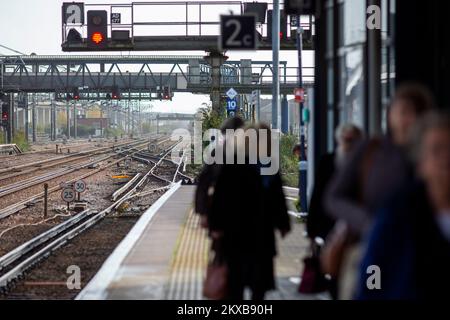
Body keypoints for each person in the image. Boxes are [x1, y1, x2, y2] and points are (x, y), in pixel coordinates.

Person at [321, 83, 435, 299]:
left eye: (415, 113)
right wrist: (369, 223)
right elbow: (333, 196)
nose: (406, 120)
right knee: (373, 292)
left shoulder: (431, 154)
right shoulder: (371, 151)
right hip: (374, 250)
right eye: (401, 111)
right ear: (390, 114)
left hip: (423, 252)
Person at [356, 111, 450, 299]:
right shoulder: (397, 213)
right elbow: (374, 268)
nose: (446, 158)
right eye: (437, 150)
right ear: (421, 162)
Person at [207, 123, 291, 300]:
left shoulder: (255, 164)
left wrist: (283, 222)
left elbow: (219, 197)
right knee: (242, 284)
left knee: (250, 284)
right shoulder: (238, 163)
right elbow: (220, 198)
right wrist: (282, 222)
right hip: (247, 233)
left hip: (245, 233)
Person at [300, 124, 363, 297]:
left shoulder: (366, 163)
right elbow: (318, 195)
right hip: (331, 229)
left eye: (353, 140)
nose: (349, 144)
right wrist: (312, 231)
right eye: (346, 139)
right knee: (335, 271)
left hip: (358, 231)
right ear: (339, 140)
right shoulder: (328, 161)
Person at [194, 116, 245, 227]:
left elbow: (204, 182)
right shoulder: (254, 153)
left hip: (222, 211)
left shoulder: (218, 152)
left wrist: (202, 212)